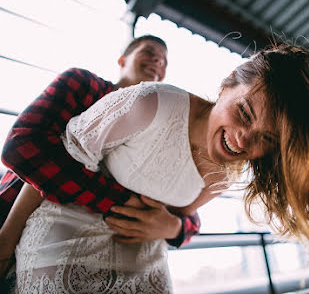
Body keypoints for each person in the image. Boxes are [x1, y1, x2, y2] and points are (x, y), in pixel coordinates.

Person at [2, 42, 309, 293]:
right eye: (147, 54)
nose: (243, 139)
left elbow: (183, 217)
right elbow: (29, 153)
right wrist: (6, 240)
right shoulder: (94, 89)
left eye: (268, 139)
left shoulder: (223, 165)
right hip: (36, 219)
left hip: (137, 256)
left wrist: (169, 227)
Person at [0, 35, 201, 280]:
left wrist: (174, 227)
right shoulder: (83, 85)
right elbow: (23, 146)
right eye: (149, 52)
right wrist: (125, 203)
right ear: (122, 60)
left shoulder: (164, 134)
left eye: (164, 60)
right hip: (12, 220)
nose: (158, 60)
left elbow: (185, 198)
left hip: (100, 265)